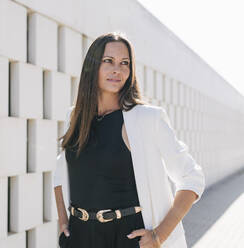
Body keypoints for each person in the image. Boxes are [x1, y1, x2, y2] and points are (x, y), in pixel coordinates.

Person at [53, 32, 205, 248]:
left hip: (125, 237)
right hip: (80, 236)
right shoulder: (76, 116)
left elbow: (192, 177)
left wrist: (159, 235)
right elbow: (60, 172)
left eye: (125, 63)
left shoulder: (147, 118)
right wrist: (63, 220)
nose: (117, 69)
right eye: (108, 61)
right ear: (92, 66)